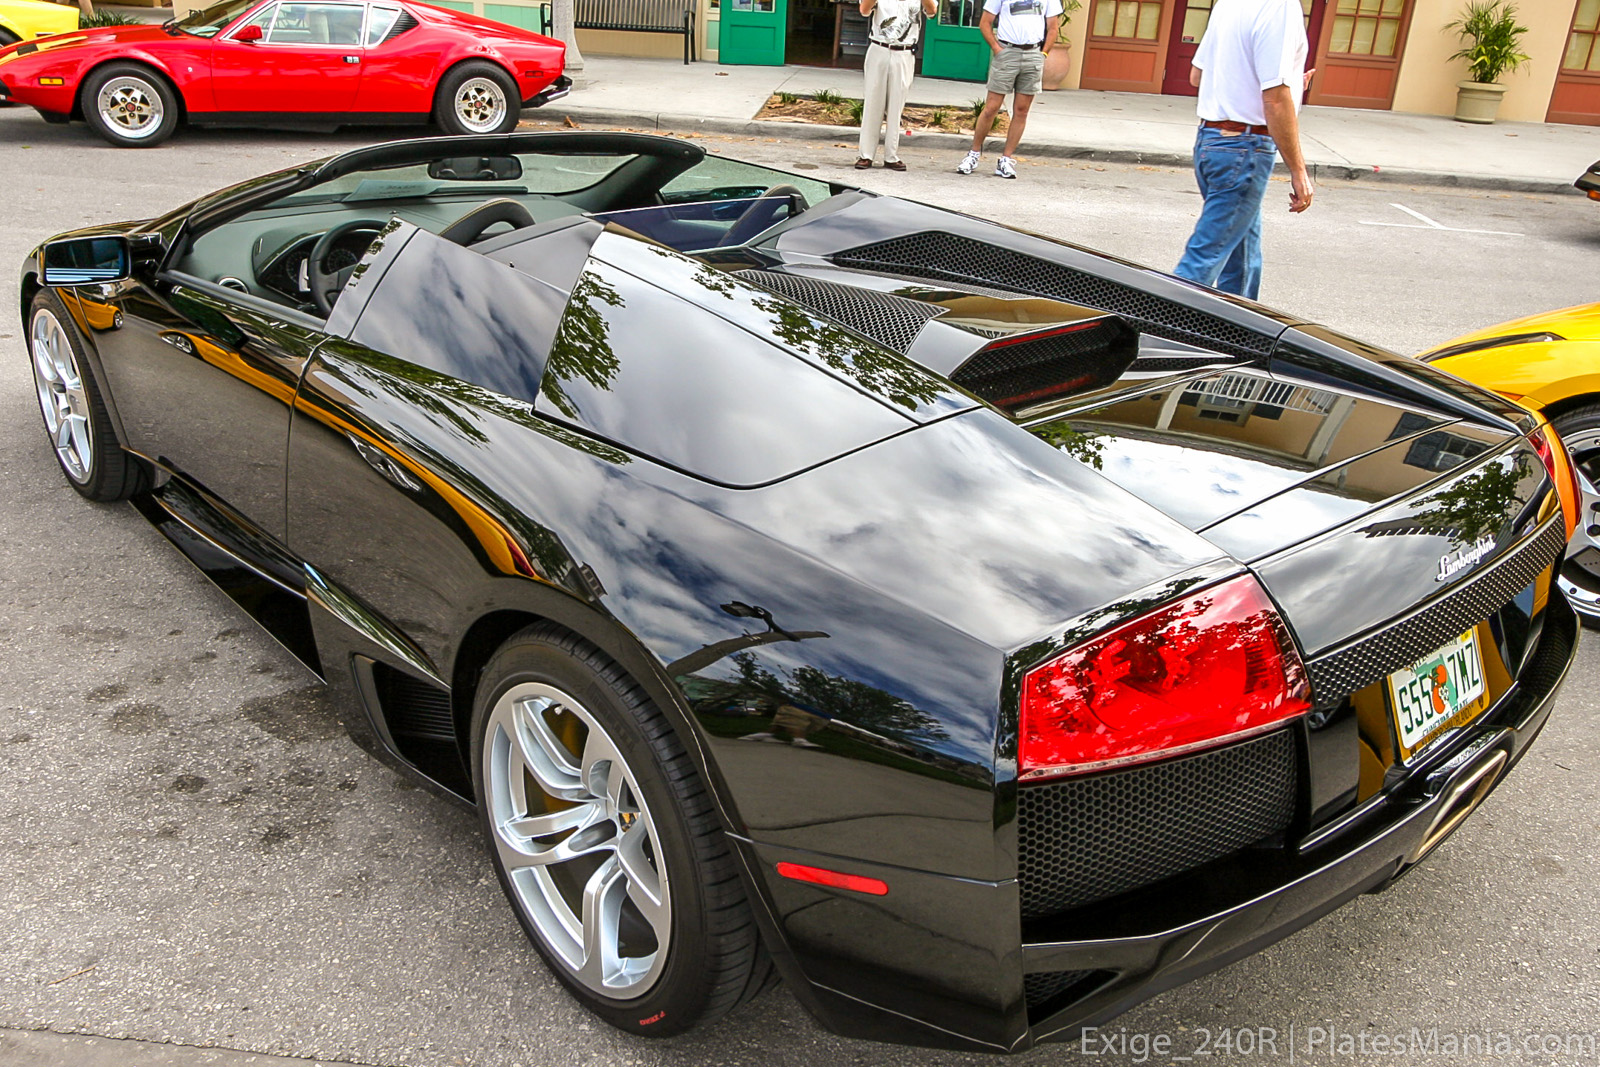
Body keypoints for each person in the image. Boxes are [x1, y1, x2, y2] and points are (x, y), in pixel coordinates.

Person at [1173, 0, 1314, 300]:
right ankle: (1151, 321)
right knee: (1203, 261)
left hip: (1211, 140)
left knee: (1243, 257)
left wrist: (1291, 86)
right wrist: (1299, 170)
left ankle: (1239, 326)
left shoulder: (1228, 3)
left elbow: (1196, 76)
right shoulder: (1280, 6)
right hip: (1244, 147)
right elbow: (1275, 99)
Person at [956, 0, 1062, 179]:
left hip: (1033, 54)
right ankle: (973, 154)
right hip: (1007, 51)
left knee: (1021, 110)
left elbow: (1053, 27)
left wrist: (1043, 53)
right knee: (991, 108)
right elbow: (985, 22)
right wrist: (996, 48)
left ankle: (1006, 159)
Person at [858, 0, 939, 170]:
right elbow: (864, 10)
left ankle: (891, 156)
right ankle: (866, 155)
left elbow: (932, 11)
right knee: (872, 103)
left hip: (904, 51)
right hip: (879, 48)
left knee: (896, 106)